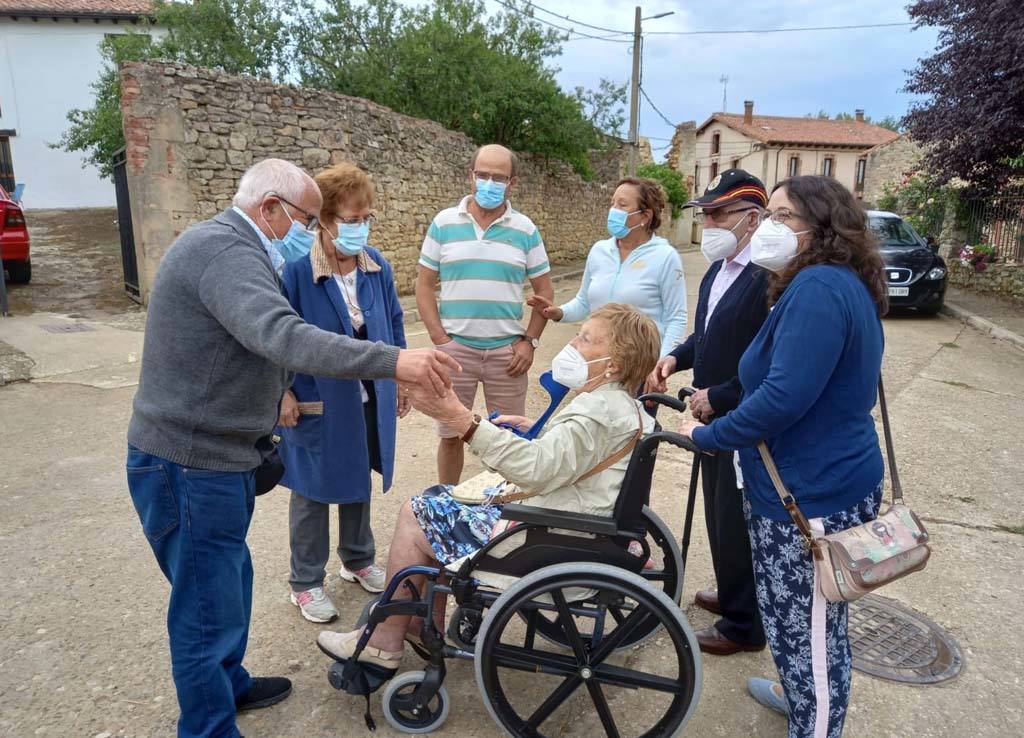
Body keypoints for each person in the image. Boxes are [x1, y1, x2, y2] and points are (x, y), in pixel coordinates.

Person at [125, 158, 459, 738]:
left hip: (218, 458)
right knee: (205, 606)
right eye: (308, 219)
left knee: (227, 584)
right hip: (187, 462)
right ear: (270, 209)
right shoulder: (227, 252)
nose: (311, 231)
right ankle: (208, 728)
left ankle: (229, 683)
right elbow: (283, 335)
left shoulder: (240, 248)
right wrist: (392, 360)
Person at [316, 304, 659, 668]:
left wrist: (462, 420)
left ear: (615, 364)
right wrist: (538, 433)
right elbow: (575, 455)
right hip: (571, 522)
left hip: (549, 535)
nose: (572, 342)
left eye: (585, 338)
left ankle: (385, 642)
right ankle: (421, 622)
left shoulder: (596, 411)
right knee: (439, 500)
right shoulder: (621, 407)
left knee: (417, 514)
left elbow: (537, 468)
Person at [678, 175, 888, 738]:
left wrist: (709, 435)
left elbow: (781, 397)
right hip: (806, 482)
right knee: (799, 619)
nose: (769, 227)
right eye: (768, 215)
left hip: (814, 491)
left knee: (812, 625)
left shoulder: (820, 287)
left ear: (822, 227)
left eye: (782, 216)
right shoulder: (822, 282)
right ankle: (801, 693)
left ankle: (814, 717)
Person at [644, 169, 770, 656]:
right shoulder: (720, 270)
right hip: (709, 411)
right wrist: (677, 356)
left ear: (752, 219)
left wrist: (720, 396)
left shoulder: (767, 279)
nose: (709, 222)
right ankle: (733, 591)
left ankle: (744, 625)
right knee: (719, 512)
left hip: (738, 412)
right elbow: (708, 335)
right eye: (706, 213)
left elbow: (768, 359)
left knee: (736, 517)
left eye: (718, 213)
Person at [276, 163, 408, 623]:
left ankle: (357, 559)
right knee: (311, 489)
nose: (361, 228)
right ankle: (306, 582)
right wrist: (282, 393)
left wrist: (401, 378)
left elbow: (393, 324)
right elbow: (273, 336)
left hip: (368, 397)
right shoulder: (295, 272)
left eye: (366, 218)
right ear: (326, 220)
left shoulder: (376, 266)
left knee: (358, 477)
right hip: (316, 397)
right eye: (351, 220)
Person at [417, 144, 555, 485]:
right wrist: (440, 339)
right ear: (471, 176)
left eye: (499, 177)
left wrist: (529, 342)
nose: (489, 183)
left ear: (513, 183)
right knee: (450, 435)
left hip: (507, 354)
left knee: (507, 441)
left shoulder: (525, 230)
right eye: (483, 175)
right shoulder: (444, 223)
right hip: (455, 352)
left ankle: (499, 519)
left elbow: (545, 293)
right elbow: (423, 286)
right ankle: (448, 509)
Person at [527, 176, 687, 358]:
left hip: (639, 364)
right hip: (596, 361)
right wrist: (559, 312)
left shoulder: (665, 257)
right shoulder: (599, 250)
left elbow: (676, 318)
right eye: (612, 203)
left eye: (622, 205)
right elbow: (584, 302)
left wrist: (662, 363)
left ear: (645, 216)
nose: (613, 210)